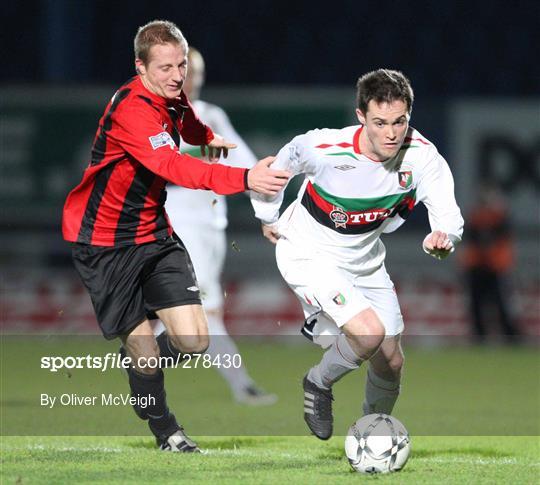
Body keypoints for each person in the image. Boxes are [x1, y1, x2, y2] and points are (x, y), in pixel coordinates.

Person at [62, 20, 289, 452]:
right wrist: (244, 177)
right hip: (107, 244)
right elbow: (174, 167)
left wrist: (207, 137)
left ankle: (139, 359)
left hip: (155, 234)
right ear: (140, 67)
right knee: (147, 353)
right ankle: (167, 430)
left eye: (180, 65)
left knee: (194, 339)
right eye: (165, 67)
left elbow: (187, 121)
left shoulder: (171, 94)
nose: (176, 75)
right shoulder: (133, 109)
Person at [251, 69, 464, 440]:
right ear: (360, 116)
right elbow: (278, 167)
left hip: (366, 262)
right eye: (380, 122)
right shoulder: (323, 148)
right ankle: (318, 382)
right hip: (307, 253)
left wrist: (442, 237)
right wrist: (267, 215)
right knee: (368, 334)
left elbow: (446, 212)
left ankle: (370, 433)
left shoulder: (422, 157)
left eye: (400, 122)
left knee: (391, 360)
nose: (391, 133)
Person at [153, 47, 277, 405]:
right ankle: (238, 385)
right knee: (199, 309)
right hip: (176, 222)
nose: (189, 79)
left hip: (211, 222)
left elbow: (249, 167)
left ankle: (142, 365)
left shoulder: (211, 117)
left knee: (200, 311)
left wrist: (265, 212)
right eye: (180, 71)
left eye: (195, 73)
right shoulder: (153, 118)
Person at [459, 183, 520, 343]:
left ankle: (510, 336)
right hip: (480, 266)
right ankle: (480, 336)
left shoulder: (498, 217)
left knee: (501, 303)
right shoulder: (477, 217)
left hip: (495, 266)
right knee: (478, 303)